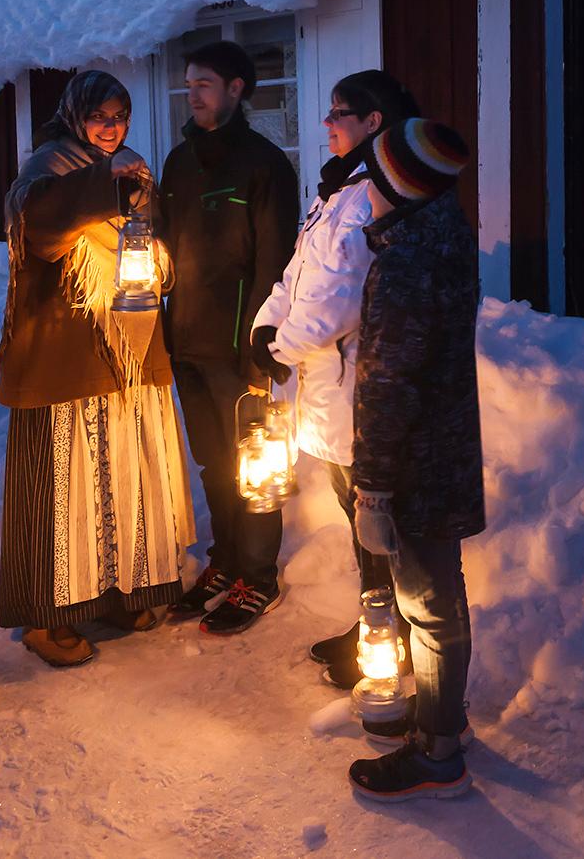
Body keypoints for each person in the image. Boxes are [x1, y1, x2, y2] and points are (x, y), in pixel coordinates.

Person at [0, 71, 197, 667]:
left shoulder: (134, 169)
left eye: (119, 116)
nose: (111, 127)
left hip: (131, 350)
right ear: (75, 116)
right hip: (68, 353)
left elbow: (153, 238)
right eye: (100, 116)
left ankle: (118, 589)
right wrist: (103, 191)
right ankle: (45, 616)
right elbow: (43, 231)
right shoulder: (47, 169)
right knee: (64, 483)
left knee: (127, 475)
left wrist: (153, 255)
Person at [250, 71, 421, 692]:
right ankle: (372, 624)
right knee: (358, 518)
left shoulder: (373, 193)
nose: (327, 124)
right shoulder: (337, 191)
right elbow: (298, 276)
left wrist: (284, 345)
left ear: (373, 122)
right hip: (327, 387)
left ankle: (388, 638)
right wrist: (266, 325)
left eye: (339, 114)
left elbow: (342, 296)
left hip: (356, 389)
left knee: (376, 521)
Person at [344, 119, 484, 802]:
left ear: (398, 187)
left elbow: (387, 383)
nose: (363, 190)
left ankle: (438, 751)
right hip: (444, 447)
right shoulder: (445, 237)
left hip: (414, 462)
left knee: (427, 605)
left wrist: (371, 490)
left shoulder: (406, 264)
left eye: (372, 177)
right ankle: (443, 721)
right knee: (440, 597)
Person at [158, 40, 299, 635]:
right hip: (185, 339)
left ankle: (258, 576)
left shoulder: (264, 165)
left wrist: (261, 345)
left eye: (204, 84)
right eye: (189, 84)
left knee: (253, 465)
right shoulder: (178, 164)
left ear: (237, 89)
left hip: (238, 347)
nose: (192, 94)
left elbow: (274, 261)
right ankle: (225, 562)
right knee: (213, 463)